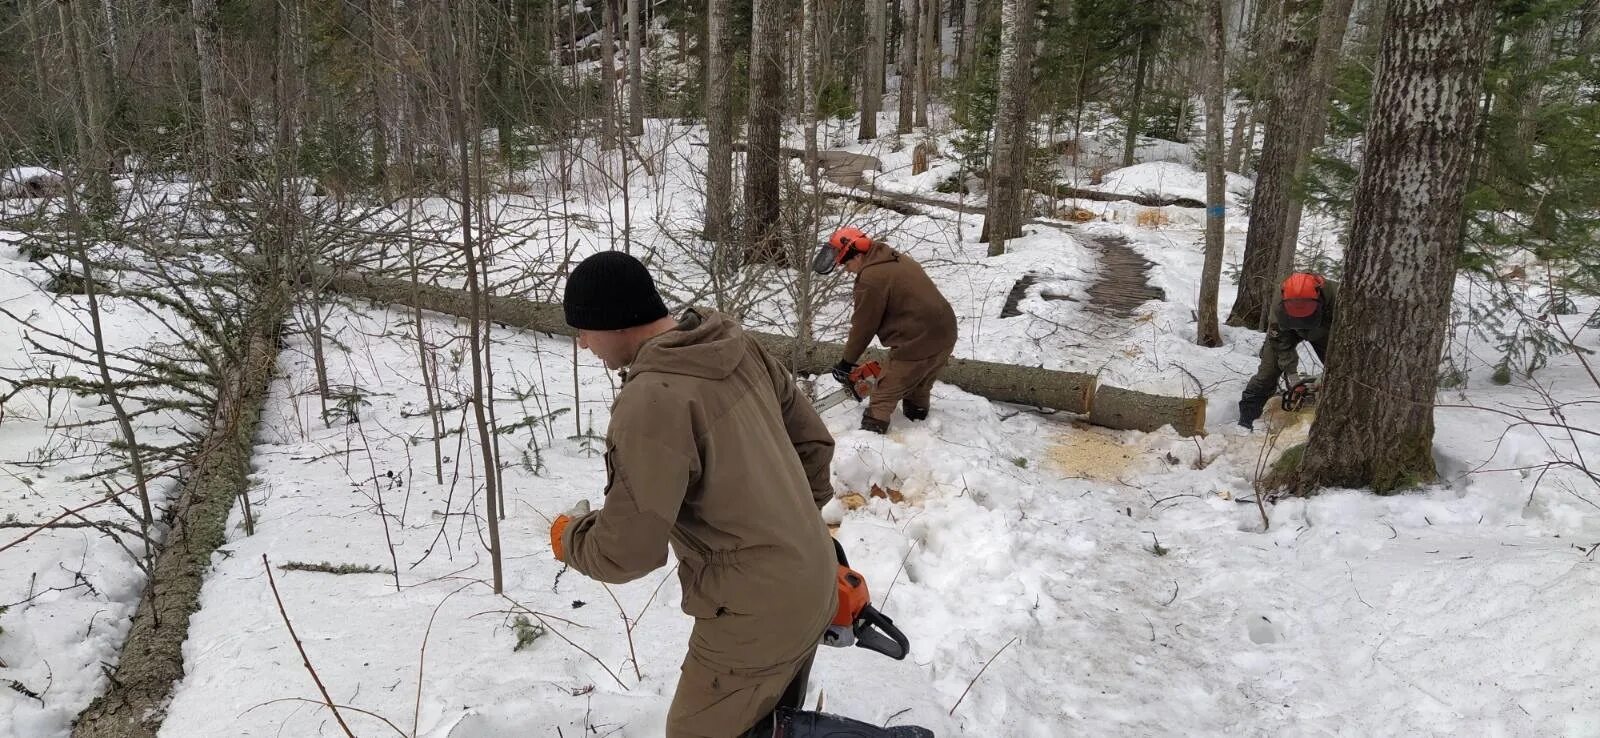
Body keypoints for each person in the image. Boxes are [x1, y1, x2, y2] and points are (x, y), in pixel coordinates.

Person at [548, 251, 839, 738]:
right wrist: (786, 532)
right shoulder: (734, 344)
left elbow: (627, 551)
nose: (582, 345)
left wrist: (569, 538)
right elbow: (812, 446)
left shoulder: (651, 399)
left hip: (755, 611)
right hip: (815, 572)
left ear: (614, 323)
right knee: (765, 722)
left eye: (583, 329)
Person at [813, 227, 958, 434]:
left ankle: (872, 438)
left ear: (858, 255)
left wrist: (846, 362)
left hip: (917, 341)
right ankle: (918, 421)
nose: (845, 269)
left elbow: (864, 325)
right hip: (946, 333)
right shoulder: (893, 257)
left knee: (882, 395)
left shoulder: (871, 278)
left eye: (846, 263)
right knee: (919, 384)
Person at [1237, 272, 1339, 429]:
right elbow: (1280, 343)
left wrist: (1328, 373)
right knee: (1267, 374)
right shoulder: (1280, 304)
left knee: (1338, 371)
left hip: (1323, 331)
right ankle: (1248, 418)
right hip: (1286, 330)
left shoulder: (1338, 297)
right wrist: (1293, 378)